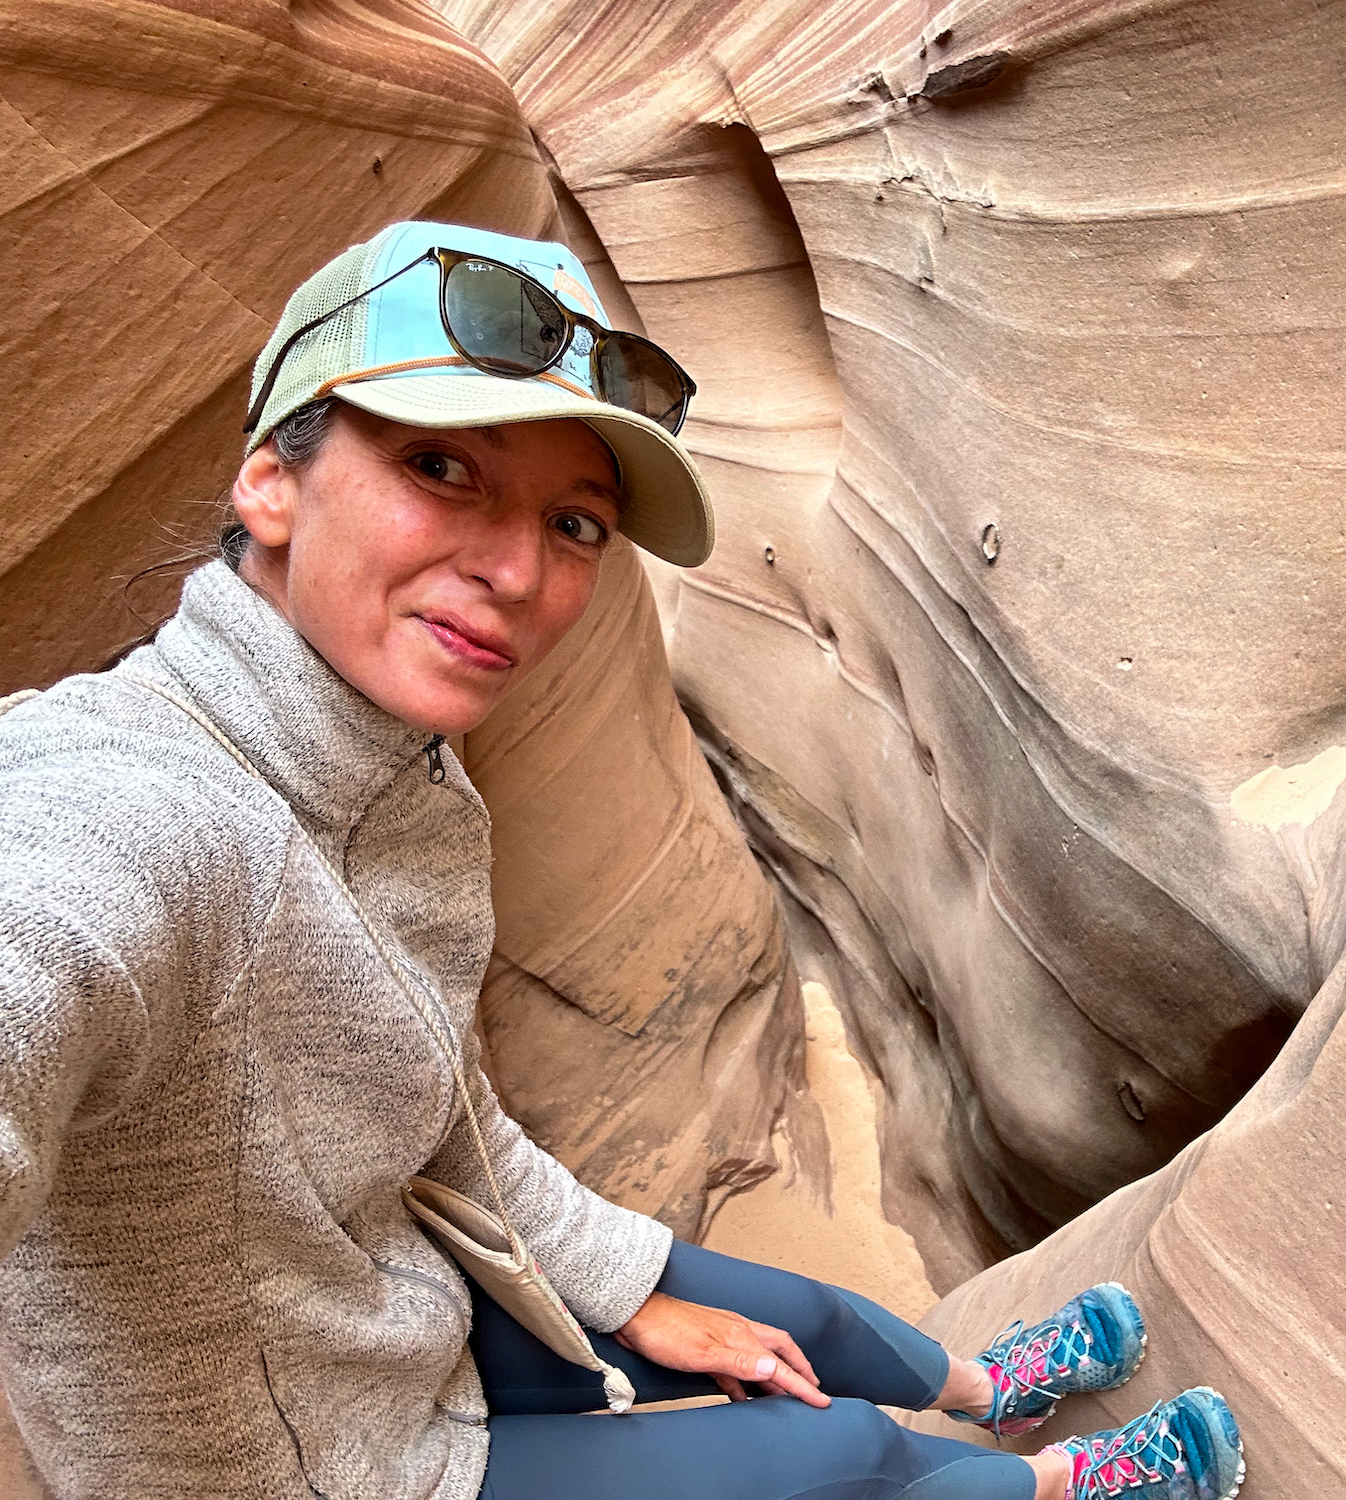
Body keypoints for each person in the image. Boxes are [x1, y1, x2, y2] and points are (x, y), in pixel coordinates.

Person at [0, 221, 1246, 1500]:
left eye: (577, 522)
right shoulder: (123, 808)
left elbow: (437, 1099)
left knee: (793, 1323)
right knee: (839, 1449)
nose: (516, 570)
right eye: (442, 466)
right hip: (312, 1470)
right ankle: (1056, 1489)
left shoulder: (397, 775)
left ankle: (994, 1392)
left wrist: (624, 1291)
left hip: (384, 1308)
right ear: (270, 480)